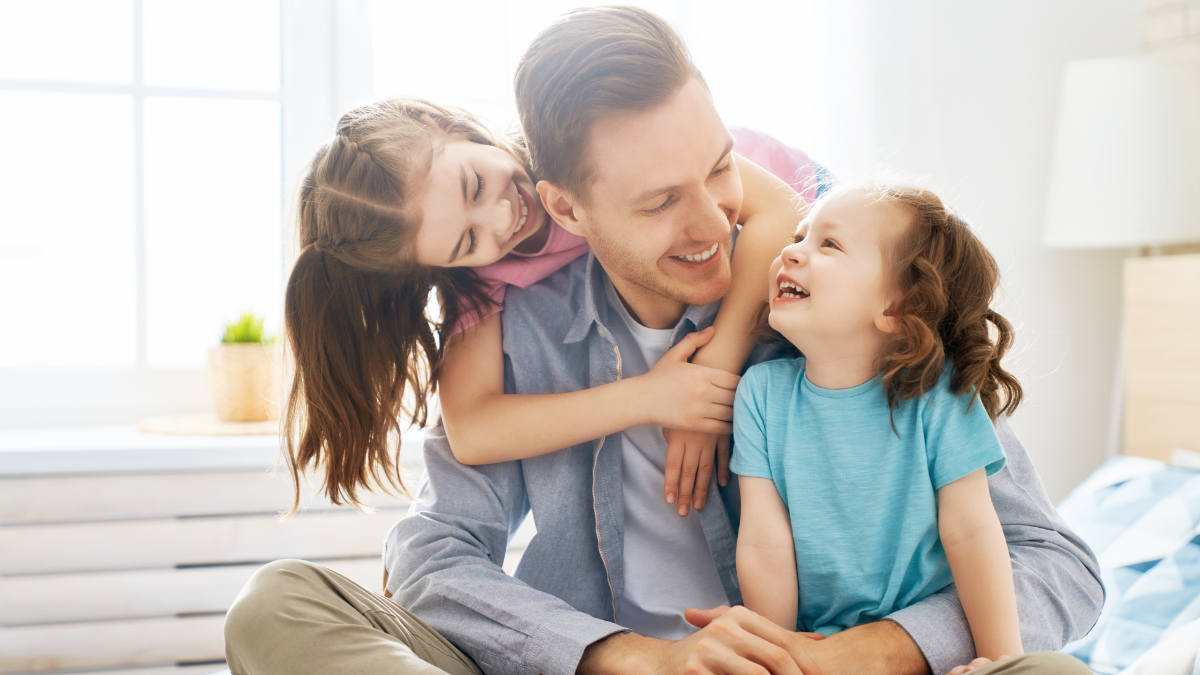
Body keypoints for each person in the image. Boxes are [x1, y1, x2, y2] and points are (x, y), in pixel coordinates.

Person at [224, 7, 1103, 675]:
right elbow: (433, 553)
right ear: (565, 207)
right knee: (277, 603)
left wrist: (870, 652)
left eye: (719, 169)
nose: (714, 222)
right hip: (606, 664)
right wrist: (620, 655)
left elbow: (1057, 567)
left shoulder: (828, 301)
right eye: (658, 202)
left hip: (810, 664)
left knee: (1046, 671)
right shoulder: (505, 323)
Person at [281, 97, 810, 520]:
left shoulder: (568, 140)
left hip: (809, 197)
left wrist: (715, 373)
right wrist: (650, 398)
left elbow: (781, 211)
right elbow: (473, 429)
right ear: (438, 267)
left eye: (476, 185)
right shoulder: (482, 282)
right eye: (467, 241)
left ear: (441, 123)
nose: (501, 216)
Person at [733, 181, 1025, 662]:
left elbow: (971, 531)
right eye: (799, 236)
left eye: (828, 243)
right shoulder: (761, 394)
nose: (792, 251)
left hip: (929, 652)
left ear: (897, 307)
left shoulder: (942, 394)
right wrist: (775, 656)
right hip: (824, 651)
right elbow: (765, 544)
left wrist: (998, 663)